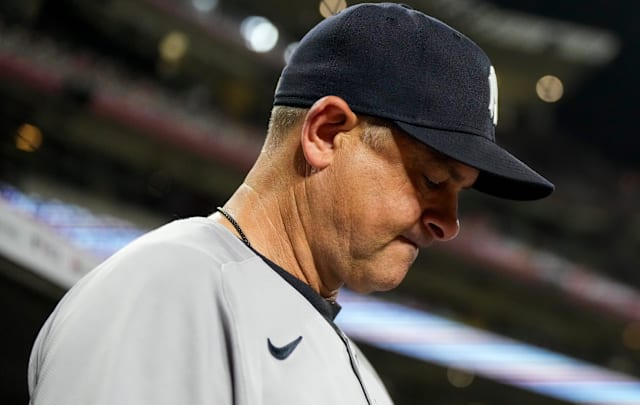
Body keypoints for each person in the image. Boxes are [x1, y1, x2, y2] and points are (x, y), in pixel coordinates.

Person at [27, 3, 553, 404]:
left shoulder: (354, 367)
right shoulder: (170, 290)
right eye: (434, 177)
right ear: (325, 133)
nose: (449, 223)